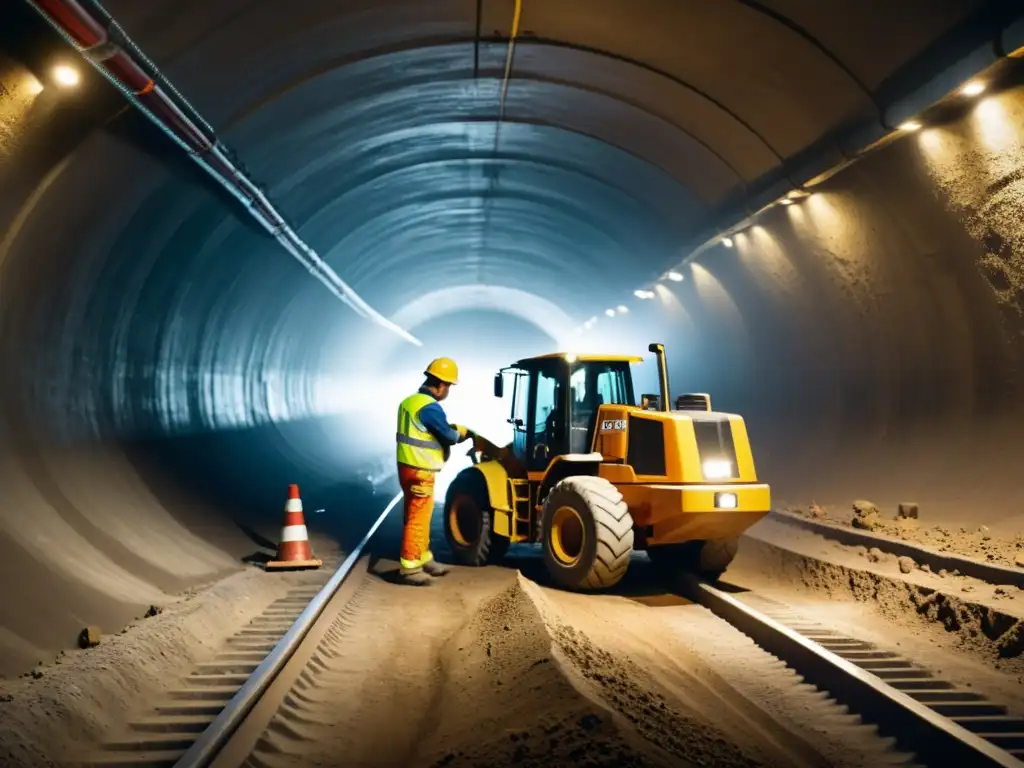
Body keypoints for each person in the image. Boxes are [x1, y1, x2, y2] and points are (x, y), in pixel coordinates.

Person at [395, 356, 473, 586]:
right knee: (417, 518)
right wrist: (462, 432)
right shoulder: (429, 407)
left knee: (418, 514)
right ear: (440, 385)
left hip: (407, 467)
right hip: (420, 469)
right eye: (448, 386)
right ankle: (410, 568)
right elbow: (448, 436)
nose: (448, 390)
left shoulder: (409, 402)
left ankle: (424, 557)